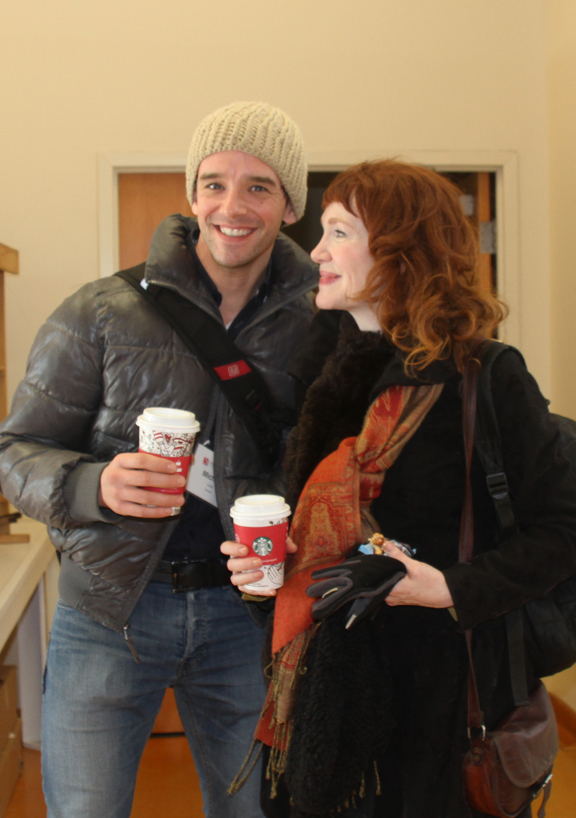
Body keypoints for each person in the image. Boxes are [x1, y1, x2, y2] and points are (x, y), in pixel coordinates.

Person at [0, 101, 318, 818]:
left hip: (249, 617)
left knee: (258, 811)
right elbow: (12, 452)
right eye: (214, 183)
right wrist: (93, 482)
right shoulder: (101, 311)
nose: (232, 205)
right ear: (192, 194)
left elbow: (338, 468)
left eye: (258, 186)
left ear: (290, 205)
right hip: (109, 611)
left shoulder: (320, 325)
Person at [222, 160, 576, 817]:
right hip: (325, 702)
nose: (319, 251)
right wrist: (266, 570)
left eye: (339, 232)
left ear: (403, 250)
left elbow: (562, 532)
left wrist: (446, 585)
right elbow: (314, 534)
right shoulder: (327, 377)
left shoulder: (484, 375)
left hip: (441, 708)